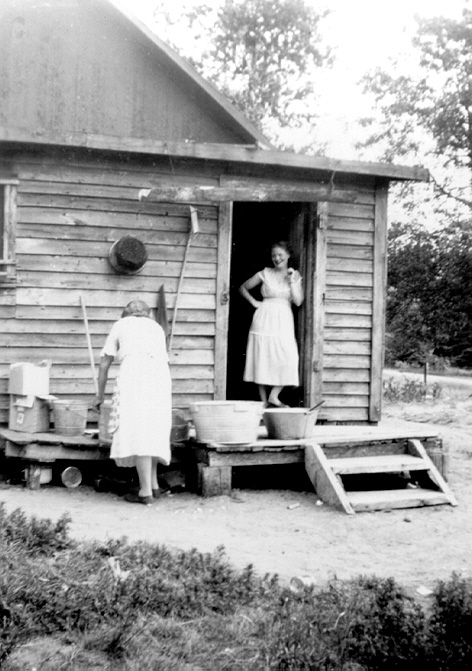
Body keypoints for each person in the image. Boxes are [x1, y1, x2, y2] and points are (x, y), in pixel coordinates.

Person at [93, 299, 172, 505]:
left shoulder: (121, 325)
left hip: (136, 375)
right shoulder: (156, 327)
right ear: (147, 314)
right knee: (152, 428)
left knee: (139, 430)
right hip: (161, 378)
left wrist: (99, 395)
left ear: (125, 313)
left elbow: (104, 364)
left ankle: (145, 492)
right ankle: (153, 486)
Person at [239, 241, 304, 407]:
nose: (277, 258)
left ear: (288, 256)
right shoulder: (265, 273)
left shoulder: (294, 275)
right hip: (264, 318)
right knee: (262, 357)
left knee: (289, 357)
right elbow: (243, 288)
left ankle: (273, 396)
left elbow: (298, 301)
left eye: (280, 255)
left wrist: (292, 281)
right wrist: (254, 302)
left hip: (284, 319)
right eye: (274, 255)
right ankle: (263, 403)